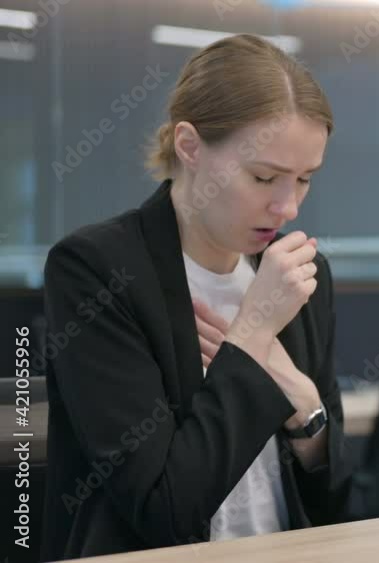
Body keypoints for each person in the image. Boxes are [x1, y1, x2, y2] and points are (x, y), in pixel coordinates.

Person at [40, 34, 350, 561]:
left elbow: (334, 504)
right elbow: (164, 510)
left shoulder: (298, 274)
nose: (287, 207)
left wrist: (306, 412)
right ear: (189, 145)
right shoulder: (96, 269)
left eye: (304, 180)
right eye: (264, 177)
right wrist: (251, 336)